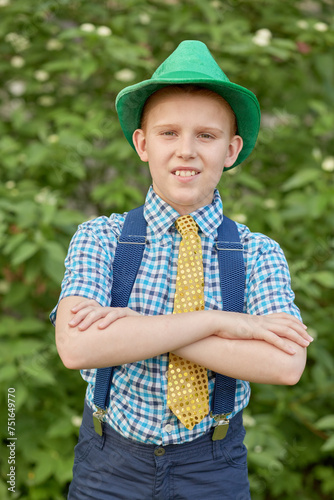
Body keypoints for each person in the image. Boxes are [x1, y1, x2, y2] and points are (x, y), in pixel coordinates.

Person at [51, 40, 312, 499]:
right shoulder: (101, 237)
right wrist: (222, 322)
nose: (186, 150)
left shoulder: (257, 252)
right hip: (109, 464)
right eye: (168, 133)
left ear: (231, 150)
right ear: (142, 144)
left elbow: (285, 362)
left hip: (212, 467)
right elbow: (77, 347)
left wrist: (141, 329)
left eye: (206, 136)